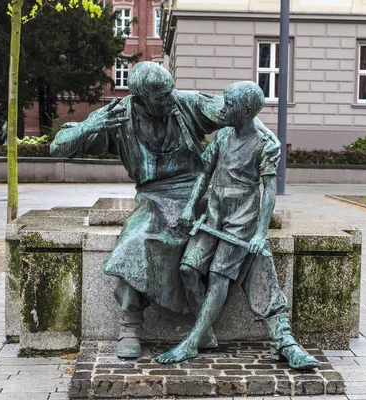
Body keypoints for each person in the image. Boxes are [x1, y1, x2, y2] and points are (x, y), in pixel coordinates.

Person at [49, 63, 300, 364]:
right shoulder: (118, 117)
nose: (171, 99)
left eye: (171, 91)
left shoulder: (185, 103)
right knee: (135, 239)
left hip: (199, 192)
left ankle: (279, 329)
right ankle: (130, 326)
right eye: (163, 96)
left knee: (248, 240)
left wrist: (267, 144)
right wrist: (89, 125)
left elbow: (241, 114)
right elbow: (58, 148)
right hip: (153, 198)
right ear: (142, 98)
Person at [156, 81, 320, 370]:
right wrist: (188, 207)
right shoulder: (223, 136)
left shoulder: (265, 144)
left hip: (242, 219)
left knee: (220, 277)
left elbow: (269, 191)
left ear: (245, 111)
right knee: (188, 269)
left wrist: (259, 233)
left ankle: (191, 343)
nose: (223, 109)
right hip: (214, 215)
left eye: (229, 105)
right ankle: (205, 333)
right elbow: (204, 173)